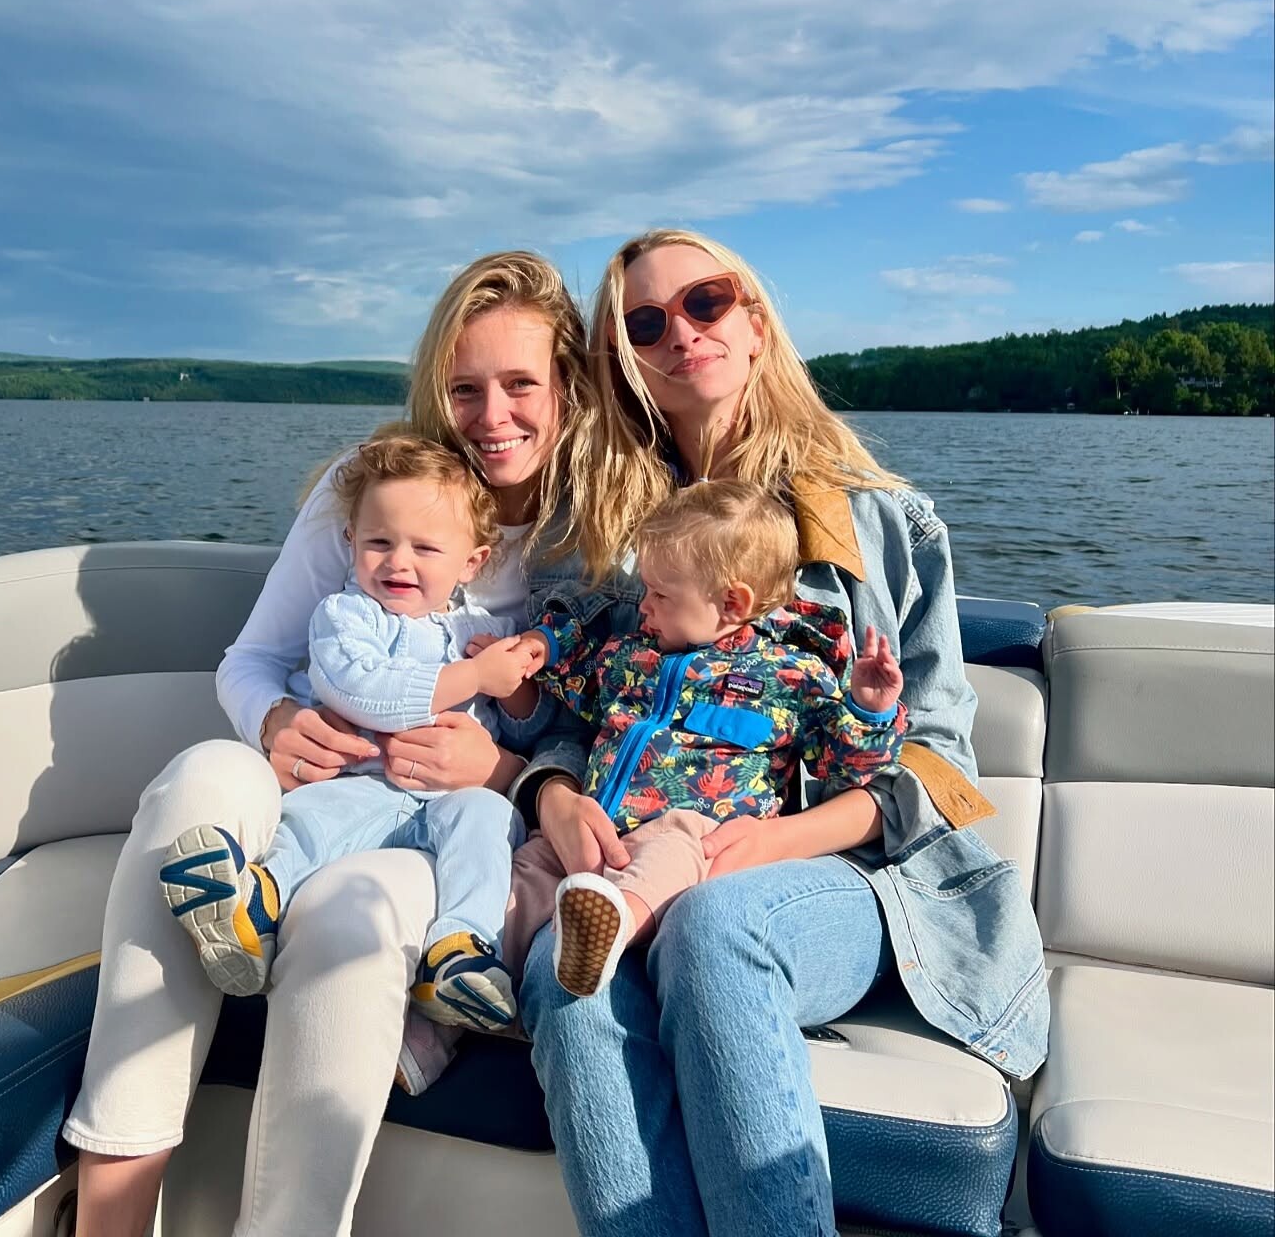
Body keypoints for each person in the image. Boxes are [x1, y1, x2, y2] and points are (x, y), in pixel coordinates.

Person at [515, 230, 1050, 1237]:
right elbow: (574, 716)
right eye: (645, 323)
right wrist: (553, 797)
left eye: (706, 301)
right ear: (626, 365)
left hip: (849, 875)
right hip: (635, 856)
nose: (680, 331)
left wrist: (774, 841)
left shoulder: (881, 525)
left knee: (720, 925)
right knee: (560, 972)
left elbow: (939, 763)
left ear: (756, 323)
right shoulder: (611, 541)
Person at [62, 251, 596, 1237]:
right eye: (465, 388)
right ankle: (110, 1218)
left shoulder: (596, 530)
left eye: (522, 385)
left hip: (443, 818)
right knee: (197, 784)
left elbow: (597, 729)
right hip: (318, 775)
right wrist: (276, 723)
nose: (492, 416)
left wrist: (500, 769)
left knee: (353, 912)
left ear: (568, 385)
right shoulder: (377, 490)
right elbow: (253, 660)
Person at [158, 434, 536, 1030]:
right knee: (319, 821)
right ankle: (255, 905)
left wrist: (516, 692)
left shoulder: (482, 630)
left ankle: (461, 950)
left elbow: (530, 725)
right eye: (379, 543)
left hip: (450, 796)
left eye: (425, 548)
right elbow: (357, 688)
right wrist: (473, 676)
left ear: (472, 562)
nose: (398, 562)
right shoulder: (345, 615)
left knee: (489, 820)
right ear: (350, 543)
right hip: (363, 777)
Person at [498, 479, 907, 999]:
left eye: (660, 594)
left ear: (732, 602)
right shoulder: (631, 656)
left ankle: (613, 929)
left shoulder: (790, 676)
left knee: (675, 849)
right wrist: (545, 649)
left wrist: (869, 710)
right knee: (524, 876)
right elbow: (582, 683)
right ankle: (477, 985)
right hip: (596, 828)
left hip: (695, 834)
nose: (643, 606)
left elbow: (847, 766)